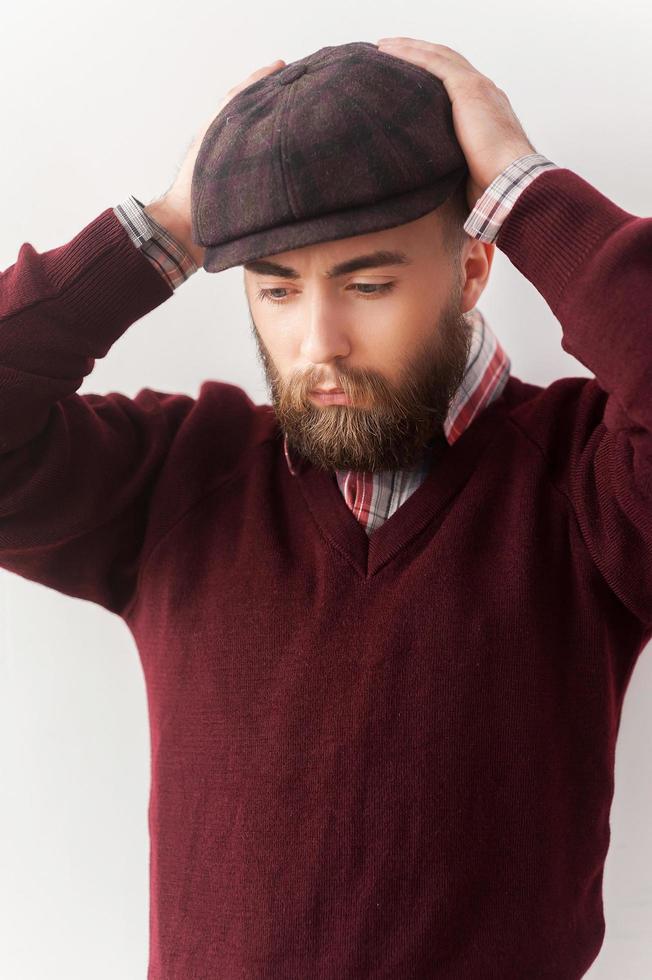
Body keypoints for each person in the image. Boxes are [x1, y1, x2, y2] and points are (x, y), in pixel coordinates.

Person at [1, 36, 649, 980]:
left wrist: (524, 191)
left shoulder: (589, 484)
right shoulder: (178, 482)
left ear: (472, 271)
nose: (318, 342)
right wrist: (172, 228)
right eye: (275, 289)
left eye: (369, 284)